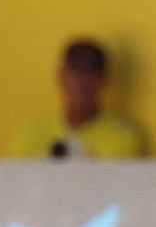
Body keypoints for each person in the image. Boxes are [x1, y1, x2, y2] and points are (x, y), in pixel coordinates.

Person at [10, 40, 146, 159]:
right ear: (62, 75)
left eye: (93, 69)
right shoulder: (32, 131)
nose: (83, 79)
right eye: (76, 68)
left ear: (105, 79)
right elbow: (18, 183)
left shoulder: (122, 137)